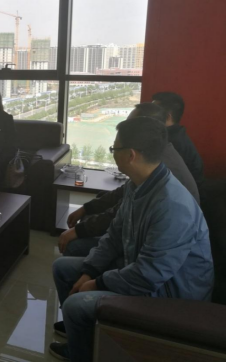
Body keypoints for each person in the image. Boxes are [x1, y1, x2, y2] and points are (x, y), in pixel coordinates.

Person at [49, 117, 214, 362]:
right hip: (140, 268)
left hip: (170, 293)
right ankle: (83, 336)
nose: (113, 154)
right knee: (63, 268)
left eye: (114, 149)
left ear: (131, 155)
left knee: (77, 304)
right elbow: (114, 235)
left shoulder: (172, 205)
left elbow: (149, 275)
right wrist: (89, 271)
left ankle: (81, 352)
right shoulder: (139, 185)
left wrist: (97, 283)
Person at [59, 103, 200, 258]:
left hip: (152, 250)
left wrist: (79, 231)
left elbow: (152, 265)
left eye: (131, 124)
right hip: (140, 238)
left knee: (74, 249)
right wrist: (86, 208)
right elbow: (124, 195)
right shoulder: (153, 158)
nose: (125, 128)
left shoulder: (162, 172)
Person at [152, 92, 204, 187]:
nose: (148, 115)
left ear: (168, 117)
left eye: (152, 112)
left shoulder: (172, 143)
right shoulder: (176, 135)